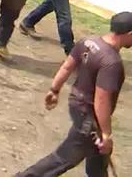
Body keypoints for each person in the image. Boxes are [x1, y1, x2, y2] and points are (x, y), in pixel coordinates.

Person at [15, 11, 132, 177]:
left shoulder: (88, 42)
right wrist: (106, 134)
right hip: (89, 118)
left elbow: (67, 66)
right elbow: (101, 100)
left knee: (98, 159)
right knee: (65, 158)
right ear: (129, 34)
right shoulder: (111, 62)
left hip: (77, 104)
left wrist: (54, 90)